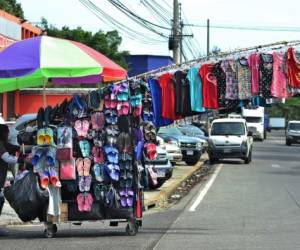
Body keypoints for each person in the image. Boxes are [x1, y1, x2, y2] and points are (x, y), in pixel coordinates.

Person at [0, 124, 26, 236]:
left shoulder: (3, 143)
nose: (8, 134)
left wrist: (25, 148)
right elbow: (7, 157)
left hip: (1, 179)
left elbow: (13, 147)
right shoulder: (0, 144)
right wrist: (22, 160)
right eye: (7, 132)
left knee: (0, 201)